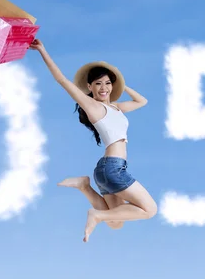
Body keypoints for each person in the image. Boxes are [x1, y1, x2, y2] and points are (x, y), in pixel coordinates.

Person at [29, 39, 157, 242]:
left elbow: (142, 101)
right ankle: (96, 214)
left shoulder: (116, 108)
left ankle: (84, 186)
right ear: (89, 87)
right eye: (98, 84)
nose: (103, 87)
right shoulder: (93, 106)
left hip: (108, 169)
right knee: (150, 209)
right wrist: (42, 50)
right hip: (112, 169)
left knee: (116, 222)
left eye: (107, 83)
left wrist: (122, 85)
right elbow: (62, 80)